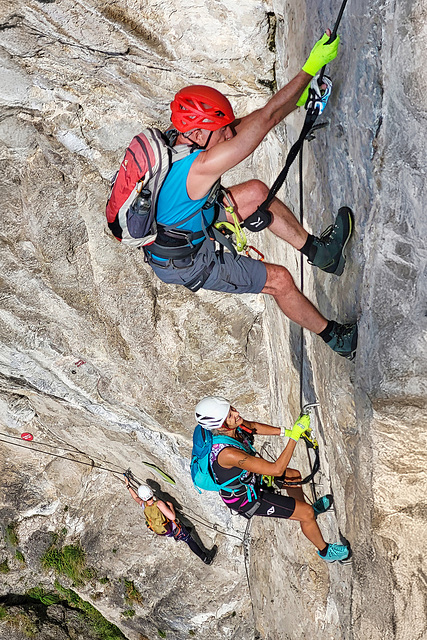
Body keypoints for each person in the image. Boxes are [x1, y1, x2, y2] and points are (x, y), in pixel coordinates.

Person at [144, 30, 357, 359]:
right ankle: (337, 338)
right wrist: (309, 68)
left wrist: (296, 100)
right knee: (280, 280)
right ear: (199, 132)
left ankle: (324, 254)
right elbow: (265, 120)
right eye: (222, 130)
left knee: (257, 192)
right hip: (185, 260)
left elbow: (255, 121)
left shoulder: (181, 140)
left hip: (187, 222)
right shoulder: (197, 168)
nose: (229, 134)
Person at [194, 396, 350, 564]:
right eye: (230, 415)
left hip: (248, 480)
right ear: (220, 425)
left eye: (232, 408)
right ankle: (325, 551)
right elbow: (276, 469)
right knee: (306, 513)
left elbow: (252, 427)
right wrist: (295, 436)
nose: (236, 413)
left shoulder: (232, 426)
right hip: (246, 498)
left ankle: (307, 513)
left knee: (294, 476)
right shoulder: (228, 454)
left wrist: (285, 431)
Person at [124, 477, 217, 565]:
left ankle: (183, 533)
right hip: (172, 528)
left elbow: (136, 498)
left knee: (184, 531)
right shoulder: (159, 504)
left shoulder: (144, 505)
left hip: (163, 531)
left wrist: (128, 486)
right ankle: (206, 559)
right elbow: (172, 517)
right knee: (189, 540)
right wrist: (171, 506)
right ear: (151, 492)